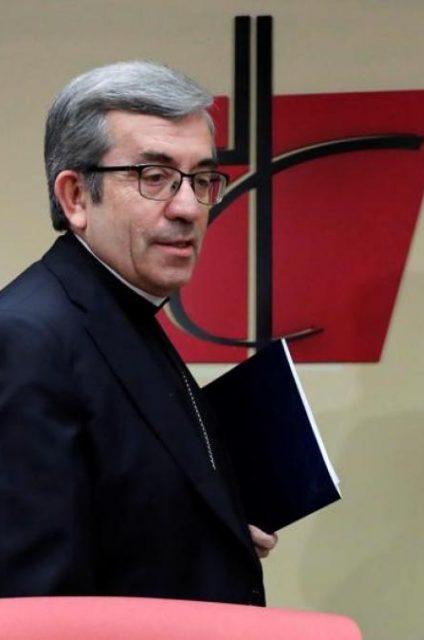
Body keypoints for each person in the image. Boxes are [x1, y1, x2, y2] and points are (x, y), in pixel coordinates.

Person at [0, 61, 276, 604]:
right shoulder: (26, 340)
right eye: (154, 177)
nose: (188, 207)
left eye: (202, 179)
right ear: (76, 197)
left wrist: (211, 536)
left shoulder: (125, 308)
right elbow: (34, 605)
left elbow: (120, 518)